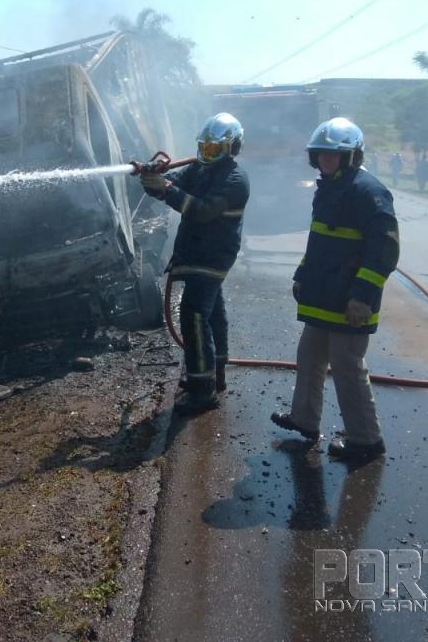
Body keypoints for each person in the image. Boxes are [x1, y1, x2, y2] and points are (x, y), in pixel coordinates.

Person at [270, 118, 400, 460]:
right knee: (309, 358)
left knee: (347, 367)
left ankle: (366, 440)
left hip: (349, 301)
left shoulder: (369, 192)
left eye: (333, 154)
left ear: (351, 156)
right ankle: (304, 419)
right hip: (323, 297)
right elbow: (319, 242)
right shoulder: (328, 188)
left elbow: (384, 251)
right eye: (321, 154)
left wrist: (363, 296)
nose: (326, 159)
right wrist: (302, 274)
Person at [140, 113, 250, 412]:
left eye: (214, 149)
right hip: (197, 252)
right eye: (204, 147)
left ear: (231, 148)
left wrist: (166, 189)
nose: (207, 154)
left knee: (194, 315)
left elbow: (202, 210)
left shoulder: (235, 179)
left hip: (213, 256)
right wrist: (151, 179)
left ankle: (202, 391)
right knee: (212, 314)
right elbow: (172, 183)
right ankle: (214, 375)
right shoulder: (199, 170)